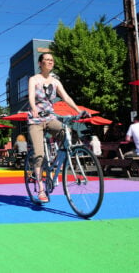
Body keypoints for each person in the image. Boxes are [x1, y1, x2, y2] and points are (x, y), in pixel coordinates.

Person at [28, 52, 84, 202]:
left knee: (68, 134)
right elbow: (31, 97)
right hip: (36, 119)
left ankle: (56, 162)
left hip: (51, 118)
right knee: (39, 154)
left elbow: (66, 97)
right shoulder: (34, 79)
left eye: (51, 60)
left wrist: (78, 111)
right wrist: (34, 108)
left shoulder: (56, 82)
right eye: (46, 60)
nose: (49, 62)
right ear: (40, 63)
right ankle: (40, 189)